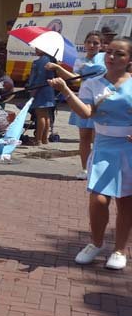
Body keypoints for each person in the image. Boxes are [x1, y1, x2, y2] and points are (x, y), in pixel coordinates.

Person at [49, 36, 132, 270]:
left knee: (126, 202)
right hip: (104, 146)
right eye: (110, 52)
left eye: (119, 54)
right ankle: (95, 243)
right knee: (98, 200)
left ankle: (119, 250)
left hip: (129, 149)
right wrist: (66, 90)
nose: (112, 57)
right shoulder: (93, 84)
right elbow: (86, 112)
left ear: (129, 59)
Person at [45, 31, 106, 178]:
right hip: (83, 99)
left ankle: (98, 170)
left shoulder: (105, 58)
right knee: (84, 137)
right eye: (89, 42)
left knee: (98, 139)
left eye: (96, 43)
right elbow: (76, 79)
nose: (92, 45)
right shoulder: (80, 60)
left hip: (100, 100)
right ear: (84, 44)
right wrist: (59, 69)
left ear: (102, 45)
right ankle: (85, 169)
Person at [27, 49, 57, 145]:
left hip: (40, 89)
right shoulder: (51, 60)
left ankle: (38, 139)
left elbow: (38, 77)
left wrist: (33, 89)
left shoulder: (39, 62)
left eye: (37, 48)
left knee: (40, 115)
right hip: (49, 89)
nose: (35, 49)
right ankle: (45, 139)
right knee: (46, 115)